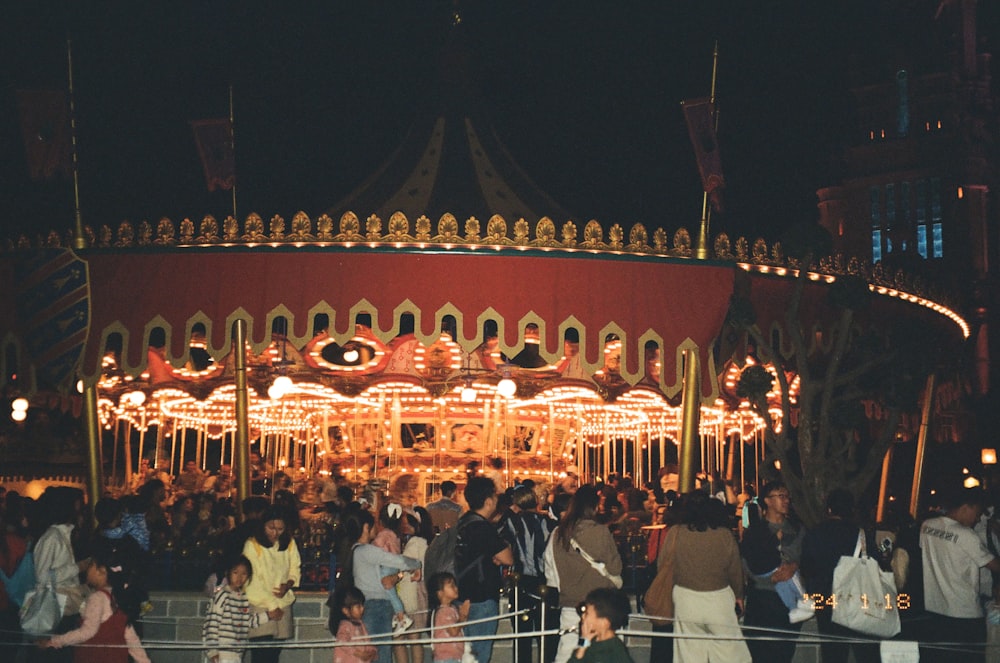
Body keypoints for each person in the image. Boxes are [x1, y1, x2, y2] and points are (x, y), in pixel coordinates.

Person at [664, 492, 750, 663]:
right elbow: (735, 570)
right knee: (729, 652)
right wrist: (739, 596)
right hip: (718, 598)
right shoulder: (724, 535)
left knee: (689, 653)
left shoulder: (675, 533)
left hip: (685, 597)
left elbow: (664, 565)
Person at [920, 487, 1000, 663]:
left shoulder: (927, 526)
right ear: (966, 507)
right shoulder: (966, 535)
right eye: (977, 514)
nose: (977, 519)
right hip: (965, 614)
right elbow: (994, 565)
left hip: (935, 610)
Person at [800, 488, 880, 663]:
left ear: (829, 509)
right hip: (858, 600)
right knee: (865, 653)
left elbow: (807, 568)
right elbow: (877, 564)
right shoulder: (861, 535)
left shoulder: (815, 533)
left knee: (833, 654)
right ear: (852, 510)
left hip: (827, 601)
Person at [37, 549, 150, 663]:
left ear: (100, 571)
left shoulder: (97, 598)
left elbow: (87, 632)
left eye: (90, 566)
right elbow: (130, 637)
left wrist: (54, 641)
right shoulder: (117, 596)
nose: (87, 570)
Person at [551, 485, 623, 663]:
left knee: (568, 651)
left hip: (570, 603)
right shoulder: (600, 531)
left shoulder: (558, 533)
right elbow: (615, 568)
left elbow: (550, 570)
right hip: (599, 605)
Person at [740, 479, 805, 663]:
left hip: (787, 603)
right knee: (759, 654)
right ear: (767, 500)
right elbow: (746, 564)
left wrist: (794, 567)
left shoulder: (797, 529)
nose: (786, 501)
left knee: (784, 653)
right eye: (780, 496)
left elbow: (806, 559)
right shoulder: (755, 532)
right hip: (762, 602)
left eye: (787, 497)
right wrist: (770, 578)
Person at [454, 476, 514, 663]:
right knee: (479, 655)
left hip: (462, 594)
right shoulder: (482, 527)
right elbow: (507, 557)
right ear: (488, 501)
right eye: (495, 496)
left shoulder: (463, 522)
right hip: (481, 597)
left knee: (465, 654)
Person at [350, 509, 422, 663]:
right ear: (365, 527)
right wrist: (417, 564)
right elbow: (396, 561)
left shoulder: (356, 550)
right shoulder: (367, 551)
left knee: (375, 650)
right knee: (381, 652)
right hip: (377, 606)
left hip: (367, 604)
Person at [499, 484, 558, 663]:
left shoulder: (511, 522)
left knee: (521, 636)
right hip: (546, 582)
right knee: (547, 636)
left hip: (521, 583)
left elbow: (502, 549)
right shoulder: (548, 522)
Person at [242, 506, 301, 663]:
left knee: (274, 654)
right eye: (271, 528)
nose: (275, 533)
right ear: (263, 526)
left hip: (283, 603)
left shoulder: (289, 543)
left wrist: (288, 585)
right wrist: (272, 606)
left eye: (280, 529)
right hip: (261, 603)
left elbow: (295, 568)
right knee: (261, 654)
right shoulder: (252, 545)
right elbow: (252, 580)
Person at [202, 556, 283, 663]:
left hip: (238, 652)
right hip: (223, 652)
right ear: (228, 573)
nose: (239, 578)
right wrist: (213, 651)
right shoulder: (222, 596)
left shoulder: (243, 598)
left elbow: (248, 622)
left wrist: (268, 615)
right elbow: (212, 624)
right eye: (235, 573)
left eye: (244, 574)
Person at [396, 508, 433, 663]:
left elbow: (406, 564)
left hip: (409, 595)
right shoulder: (425, 542)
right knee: (415, 637)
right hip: (420, 593)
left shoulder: (415, 543)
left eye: (407, 522)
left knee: (399, 637)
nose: (404, 525)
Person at [372, 503, 413, 634]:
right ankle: (397, 616)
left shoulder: (384, 534)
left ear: (381, 521)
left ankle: (402, 617)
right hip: (394, 565)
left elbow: (377, 547)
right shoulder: (396, 535)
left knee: (389, 591)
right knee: (391, 590)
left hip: (387, 565)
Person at [572, 587, 633, 663]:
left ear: (604, 623)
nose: (583, 616)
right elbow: (576, 658)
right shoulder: (591, 641)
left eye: (587, 614)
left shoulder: (615, 650)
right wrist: (583, 642)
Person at [429, 572, 470, 663]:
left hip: (454, 656)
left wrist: (464, 615)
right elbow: (453, 631)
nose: (456, 588)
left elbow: (460, 626)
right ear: (440, 593)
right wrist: (462, 617)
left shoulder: (452, 609)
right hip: (446, 657)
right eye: (451, 586)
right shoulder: (444, 612)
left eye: (455, 585)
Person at [330, 585, 378, 663]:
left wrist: (371, 652)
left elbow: (368, 642)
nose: (362, 608)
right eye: (358, 606)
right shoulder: (345, 626)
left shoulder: (361, 624)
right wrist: (358, 653)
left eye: (362, 605)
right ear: (346, 610)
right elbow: (341, 642)